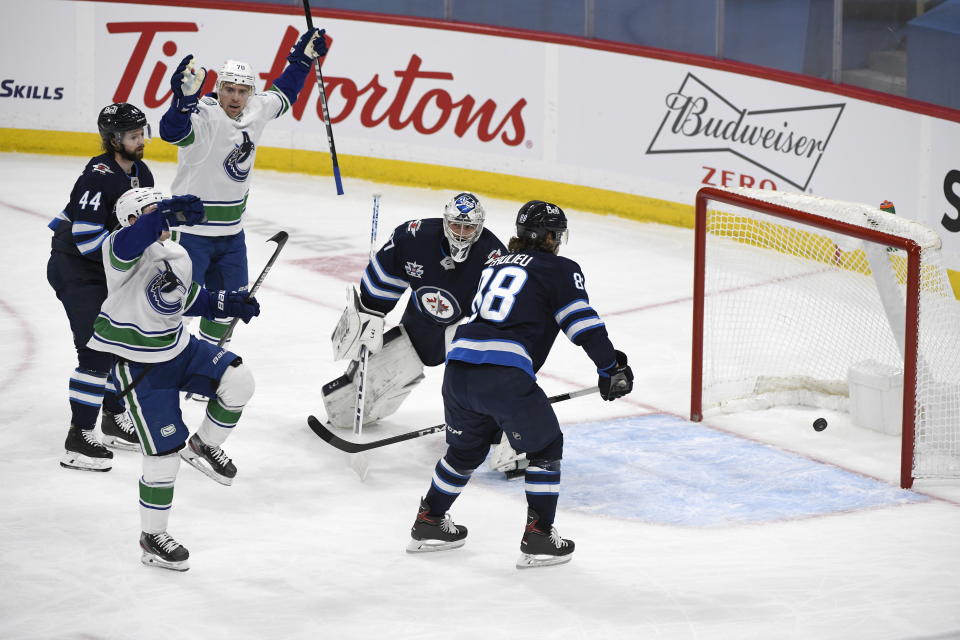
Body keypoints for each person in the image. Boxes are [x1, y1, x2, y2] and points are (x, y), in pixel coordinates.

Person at [405, 200, 634, 569]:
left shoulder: (492, 264)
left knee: (465, 453)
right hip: (504, 375)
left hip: (459, 369)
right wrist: (610, 367)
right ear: (549, 237)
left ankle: (429, 521)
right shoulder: (561, 269)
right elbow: (582, 325)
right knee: (546, 446)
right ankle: (540, 536)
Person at [88, 187, 261, 571]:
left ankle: (203, 445)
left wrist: (226, 303)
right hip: (141, 368)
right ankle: (153, 537)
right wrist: (161, 214)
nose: (161, 218)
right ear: (133, 219)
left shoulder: (178, 252)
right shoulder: (119, 248)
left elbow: (186, 296)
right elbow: (139, 234)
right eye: (151, 212)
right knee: (163, 457)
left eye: (161, 210)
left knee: (240, 380)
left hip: (180, 350)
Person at [158, 27, 327, 356]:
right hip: (192, 233)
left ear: (251, 92)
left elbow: (284, 93)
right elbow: (171, 132)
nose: (235, 97)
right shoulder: (202, 115)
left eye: (242, 91)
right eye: (229, 89)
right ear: (218, 89)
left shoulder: (256, 109)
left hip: (232, 236)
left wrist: (302, 60)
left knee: (227, 308)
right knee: (177, 305)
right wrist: (180, 103)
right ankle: (163, 362)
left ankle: (208, 365)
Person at [323, 192, 506, 431]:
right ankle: (352, 409)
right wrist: (369, 314)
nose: (461, 232)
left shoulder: (494, 257)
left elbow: (500, 314)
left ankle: (490, 425)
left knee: (470, 375)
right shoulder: (414, 237)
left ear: (479, 227)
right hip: (420, 319)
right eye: (455, 224)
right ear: (445, 221)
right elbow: (383, 279)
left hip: (463, 325)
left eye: (468, 227)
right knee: (389, 366)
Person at [47, 102, 153, 471]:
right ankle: (79, 437)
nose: (141, 141)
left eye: (142, 133)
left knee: (118, 343)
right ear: (112, 139)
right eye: (133, 135)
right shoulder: (98, 175)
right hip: (76, 269)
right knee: (94, 351)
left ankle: (112, 418)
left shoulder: (142, 172)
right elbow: (87, 239)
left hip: (104, 271)